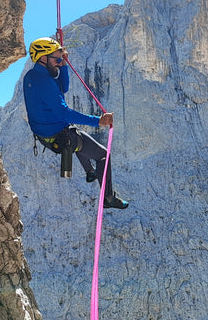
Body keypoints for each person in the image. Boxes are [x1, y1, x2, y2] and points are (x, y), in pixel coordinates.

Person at [23, 37, 129, 209]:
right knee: (103, 155)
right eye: (57, 59)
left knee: (79, 138)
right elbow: (64, 113)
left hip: (46, 134)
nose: (59, 63)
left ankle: (90, 172)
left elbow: (62, 88)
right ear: (43, 58)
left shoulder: (33, 76)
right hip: (59, 135)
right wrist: (99, 121)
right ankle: (108, 198)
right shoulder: (44, 82)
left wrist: (63, 64)